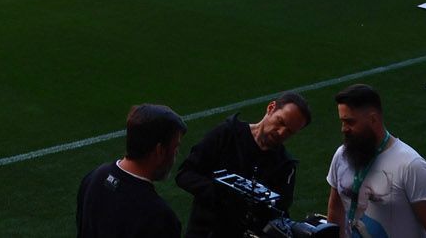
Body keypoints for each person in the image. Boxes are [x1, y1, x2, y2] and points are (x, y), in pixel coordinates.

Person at [177, 92, 312, 238]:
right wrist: (222, 196)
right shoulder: (227, 134)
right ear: (271, 108)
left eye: (290, 132)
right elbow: (185, 174)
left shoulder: (285, 166)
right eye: (281, 122)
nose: (281, 132)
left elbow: (280, 213)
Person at [325, 84, 426, 238]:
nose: (343, 129)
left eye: (350, 122)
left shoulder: (412, 166)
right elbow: (335, 208)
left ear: (373, 119)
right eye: (342, 122)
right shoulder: (342, 155)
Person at [78, 104, 186, 238]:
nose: (177, 154)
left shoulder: (94, 177)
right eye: (175, 147)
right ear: (159, 151)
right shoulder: (160, 218)